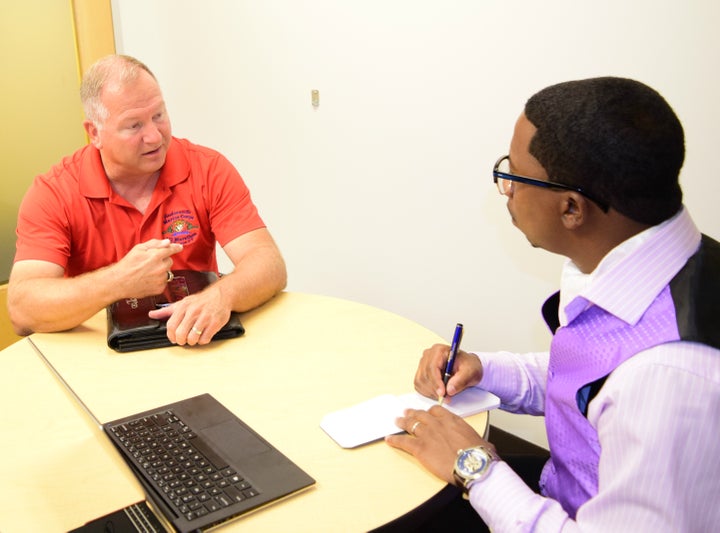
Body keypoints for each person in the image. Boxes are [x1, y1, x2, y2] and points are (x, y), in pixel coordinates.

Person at [385, 77, 720, 531]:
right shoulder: (671, 260)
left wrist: (475, 467)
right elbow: (594, 383)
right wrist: (484, 369)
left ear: (571, 210)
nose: (505, 188)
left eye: (514, 177)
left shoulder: (665, 379)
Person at [8, 54, 287, 345]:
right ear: (94, 133)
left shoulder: (208, 168)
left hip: (196, 344)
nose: (154, 137)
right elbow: (22, 310)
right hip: (99, 354)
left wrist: (221, 296)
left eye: (159, 116)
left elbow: (268, 264)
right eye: (134, 126)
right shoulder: (53, 192)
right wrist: (118, 282)